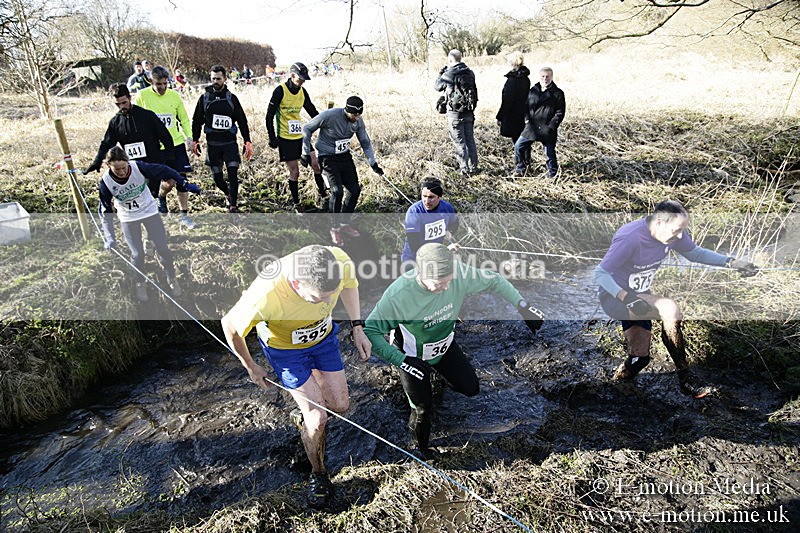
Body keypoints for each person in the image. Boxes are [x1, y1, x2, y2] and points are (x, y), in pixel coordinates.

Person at [221, 245, 371, 508]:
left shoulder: (338, 262)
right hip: (286, 350)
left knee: (340, 405)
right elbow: (230, 326)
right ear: (295, 283)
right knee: (318, 418)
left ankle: (303, 419)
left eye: (330, 296)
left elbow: (349, 285)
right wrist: (250, 366)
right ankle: (319, 474)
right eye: (317, 298)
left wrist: (357, 326)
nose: (326, 302)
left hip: (322, 340)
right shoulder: (266, 293)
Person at [363, 243, 545, 458]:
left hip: (443, 345)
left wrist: (522, 305)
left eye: (449, 281)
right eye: (439, 283)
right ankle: (421, 449)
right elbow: (371, 331)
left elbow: (495, 281)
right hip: (412, 356)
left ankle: (438, 378)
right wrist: (401, 360)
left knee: (471, 388)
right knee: (422, 409)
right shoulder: (398, 295)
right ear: (421, 274)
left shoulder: (459, 273)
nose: (446, 288)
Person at [594, 200, 759, 398]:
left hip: (641, 296)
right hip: (616, 297)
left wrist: (732, 262)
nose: (680, 235)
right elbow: (601, 273)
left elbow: (696, 253)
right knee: (669, 309)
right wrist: (627, 298)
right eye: (676, 230)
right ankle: (686, 379)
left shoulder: (671, 235)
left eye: (682, 230)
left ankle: (616, 388)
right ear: (659, 223)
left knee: (641, 358)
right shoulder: (630, 238)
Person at [99, 146, 201, 302]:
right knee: (137, 254)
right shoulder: (106, 182)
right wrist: (109, 236)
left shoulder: (138, 167)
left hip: (149, 211)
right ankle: (140, 283)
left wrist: (184, 183)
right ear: (108, 166)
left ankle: (171, 278)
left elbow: (165, 170)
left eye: (123, 167)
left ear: (127, 162)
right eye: (116, 169)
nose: (121, 172)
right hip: (128, 217)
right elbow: (105, 210)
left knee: (163, 248)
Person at [301, 96, 384, 246]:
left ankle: (344, 223)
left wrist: (373, 162)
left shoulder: (358, 121)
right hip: (327, 157)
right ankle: (334, 228)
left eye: (359, 115)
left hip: (344, 157)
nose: (356, 118)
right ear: (347, 110)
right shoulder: (330, 115)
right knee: (337, 191)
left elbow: (365, 141)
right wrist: (306, 152)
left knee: (354, 190)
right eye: (354, 115)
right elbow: (307, 128)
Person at [135, 65, 197, 229]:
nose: (162, 87)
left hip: (175, 144)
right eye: (158, 84)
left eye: (165, 84)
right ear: (151, 81)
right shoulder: (142, 96)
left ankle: (184, 216)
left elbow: (183, 118)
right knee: (167, 183)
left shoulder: (174, 96)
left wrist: (189, 137)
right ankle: (161, 197)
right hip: (156, 148)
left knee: (182, 181)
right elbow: (137, 121)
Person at [265, 62, 328, 212]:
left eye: (304, 79)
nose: (302, 82)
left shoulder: (302, 92)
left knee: (316, 165)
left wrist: (325, 122)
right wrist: (272, 137)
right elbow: (269, 115)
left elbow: (311, 110)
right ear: (292, 75)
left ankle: (324, 196)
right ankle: (296, 203)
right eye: (300, 79)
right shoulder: (280, 91)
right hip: (285, 138)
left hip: (300, 136)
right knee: (295, 172)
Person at [191, 65, 253, 212]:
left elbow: (242, 120)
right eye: (213, 79)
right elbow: (197, 120)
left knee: (233, 174)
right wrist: (195, 140)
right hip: (213, 145)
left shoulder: (232, 98)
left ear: (225, 79)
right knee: (217, 178)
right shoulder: (204, 98)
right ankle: (227, 193)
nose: (215, 81)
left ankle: (233, 204)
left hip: (230, 144)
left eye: (218, 79)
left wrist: (247, 141)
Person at [84, 83, 174, 174]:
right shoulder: (115, 122)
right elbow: (107, 144)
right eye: (118, 104)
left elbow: (165, 137)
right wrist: (97, 161)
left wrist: (169, 159)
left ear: (130, 98)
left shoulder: (147, 116)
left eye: (124, 102)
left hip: (153, 164)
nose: (122, 107)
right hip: (132, 168)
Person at [513, 67, 565, 178]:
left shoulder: (558, 93)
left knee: (549, 153)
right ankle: (521, 169)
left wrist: (551, 126)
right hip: (531, 127)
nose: (545, 78)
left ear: (551, 77)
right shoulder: (533, 90)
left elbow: (560, 112)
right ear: (539, 77)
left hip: (547, 129)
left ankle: (552, 174)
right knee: (518, 146)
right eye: (543, 76)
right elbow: (526, 106)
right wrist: (526, 119)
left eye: (547, 76)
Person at [434, 49, 479, 176]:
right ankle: (474, 168)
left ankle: (464, 169)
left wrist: (440, 74)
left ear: (450, 60)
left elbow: (437, 86)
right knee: (470, 140)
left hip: (454, 114)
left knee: (459, 142)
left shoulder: (449, 74)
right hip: (469, 112)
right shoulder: (470, 73)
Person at [401, 177, 459, 266]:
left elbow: (455, 223)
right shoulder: (414, 212)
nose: (427, 201)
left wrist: (450, 232)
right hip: (413, 259)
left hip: (436, 259)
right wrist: (445, 250)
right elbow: (414, 244)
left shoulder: (447, 208)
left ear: (439, 196)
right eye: (424, 196)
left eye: (431, 197)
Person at [495, 52, 531, 148]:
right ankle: (525, 161)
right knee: (523, 141)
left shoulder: (513, 79)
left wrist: (500, 116)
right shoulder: (526, 78)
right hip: (524, 114)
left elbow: (507, 101)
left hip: (513, 115)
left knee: (518, 142)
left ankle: (520, 162)